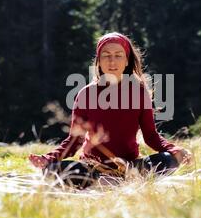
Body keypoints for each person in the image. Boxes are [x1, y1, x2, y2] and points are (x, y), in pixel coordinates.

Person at [29, 32, 192, 188]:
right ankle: (101, 180)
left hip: (129, 167)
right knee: (51, 171)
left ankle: (116, 180)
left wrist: (174, 149)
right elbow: (74, 141)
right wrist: (48, 159)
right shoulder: (86, 94)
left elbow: (151, 137)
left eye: (118, 55)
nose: (112, 61)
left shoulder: (140, 94)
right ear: (98, 61)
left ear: (127, 61)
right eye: (106, 55)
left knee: (168, 159)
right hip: (91, 169)